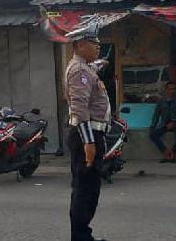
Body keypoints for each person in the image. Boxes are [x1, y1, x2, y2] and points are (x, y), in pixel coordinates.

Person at [65, 26, 111, 241]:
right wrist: (89, 143)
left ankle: (83, 234)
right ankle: (81, 237)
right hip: (87, 134)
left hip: (90, 133)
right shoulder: (80, 71)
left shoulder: (85, 68)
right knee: (85, 189)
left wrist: (99, 63)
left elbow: (93, 68)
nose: (98, 47)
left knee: (89, 188)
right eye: (94, 43)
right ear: (80, 45)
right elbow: (79, 108)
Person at [148, 81, 176, 163]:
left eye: (174, 89)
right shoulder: (161, 100)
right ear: (166, 90)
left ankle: (172, 153)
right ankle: (165, 152)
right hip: (164, 124)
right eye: (170, 89)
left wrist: (174, 122)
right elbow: (156, 114)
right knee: (152, 134)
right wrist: (153, 126)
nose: (171, 91)